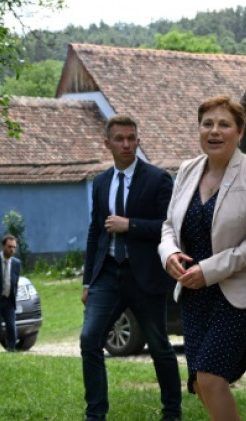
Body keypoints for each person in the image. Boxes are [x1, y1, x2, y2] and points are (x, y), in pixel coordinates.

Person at [158, 95, 246, 421]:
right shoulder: (186, 171)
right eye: (207, 123)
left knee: (210, 377)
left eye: (224, 124)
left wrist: (207, 271)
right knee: (201, 383)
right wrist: (169, 254)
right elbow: (169, 226)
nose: (214, 131)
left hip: (238, 296)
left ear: (239, 132)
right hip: (194, 296)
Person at [80, 115, 181, 421]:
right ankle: (95, 414)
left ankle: (172, 412)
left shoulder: (158, 179)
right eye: (120, 139)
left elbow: (169, 226)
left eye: (132, 138)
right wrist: (87, 282)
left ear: (138, 140)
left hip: (145, 276)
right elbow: (95, 232)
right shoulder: (100, 183)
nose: (127, 144)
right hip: (107, 274)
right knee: (89, 340)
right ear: (107, 143)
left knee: (160, 346)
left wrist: (130, 225)